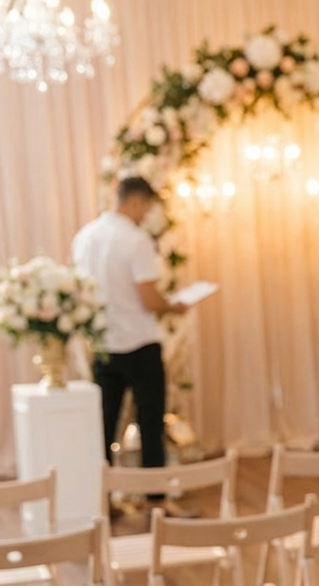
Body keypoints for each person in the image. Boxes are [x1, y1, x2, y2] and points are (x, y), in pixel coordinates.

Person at [72, 175, 190, 514]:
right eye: (147, 207)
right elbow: (150, 299)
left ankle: (103, 500)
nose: (146, 214)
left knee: (103, 427)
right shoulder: (135, 239)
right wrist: (174, 305)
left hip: (104, 346)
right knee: (151, 423)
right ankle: (157, 501)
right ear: (136, 202)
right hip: (139, 344)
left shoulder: (85, 237)